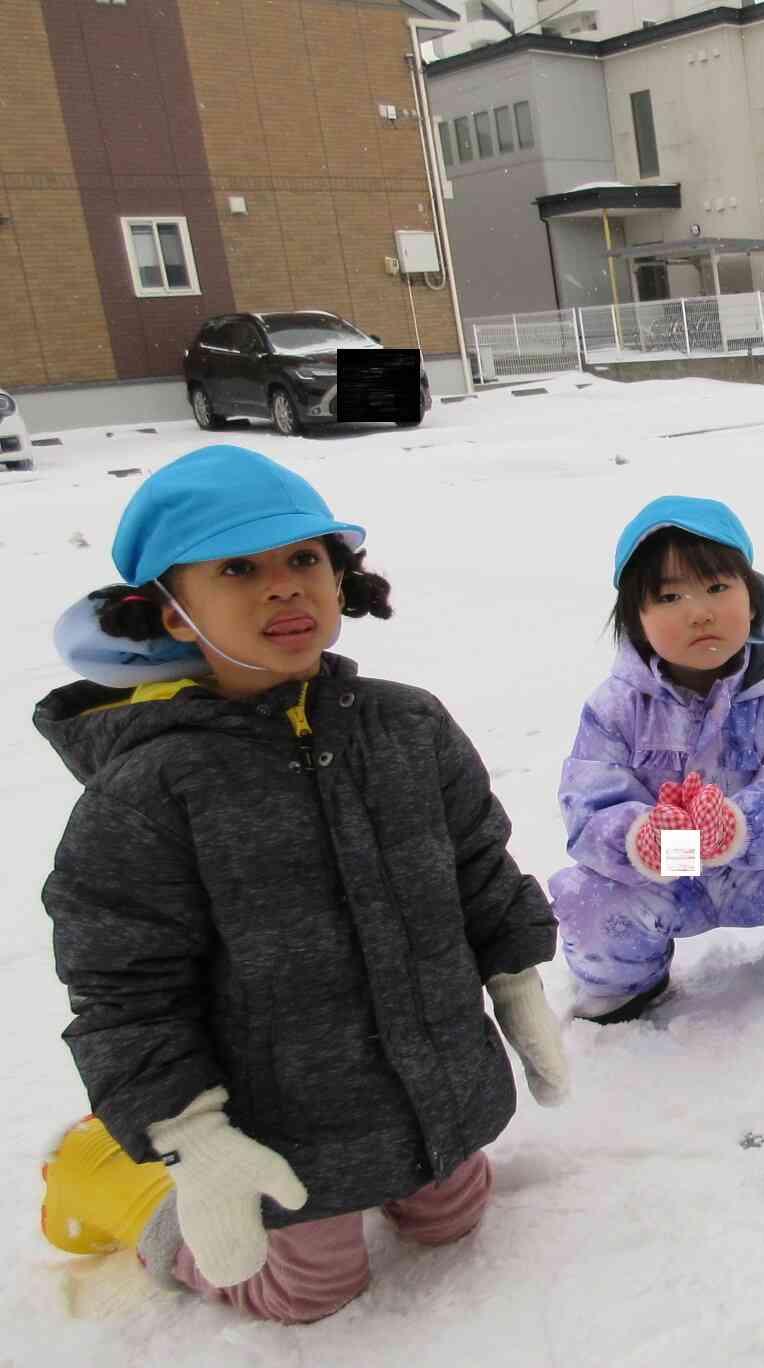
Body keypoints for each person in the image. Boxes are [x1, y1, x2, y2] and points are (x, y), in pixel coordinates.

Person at [34, 444, 568, 1324]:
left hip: (432, 1079)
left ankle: (405, 1164)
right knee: (309, 1291)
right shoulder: (153, 788)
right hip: (274, 1115)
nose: (284, 587)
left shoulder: (410, 726)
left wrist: (514, 978)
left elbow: (478, 861)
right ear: (171, 614)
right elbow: (122, 984)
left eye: (305, 560)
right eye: (239, 567)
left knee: (452, 1219)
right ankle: (134, 1197)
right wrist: (193, 1137)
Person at [549, 496, 764, 1024]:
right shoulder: (614, 707)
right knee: (585, 894)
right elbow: (587, 802)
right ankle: (629, 978)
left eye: (716, 588)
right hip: (664, 873)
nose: (699, 611)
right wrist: (642, 837)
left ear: (753, 602)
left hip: (758, 861)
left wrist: (736, 826)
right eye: (669, 596)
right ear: (637, 620)